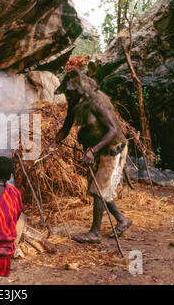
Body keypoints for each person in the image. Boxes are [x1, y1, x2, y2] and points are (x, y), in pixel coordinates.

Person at [50, 69, 132, 244]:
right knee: (98, 188)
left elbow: (114, 130)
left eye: (70, 92)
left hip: (112, 148)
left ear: (79, 90)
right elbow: (66, 128)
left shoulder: (96, 102)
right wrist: (54, 143)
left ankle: (95, 233)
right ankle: (122, 220)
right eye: (66, 93)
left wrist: (93, 150)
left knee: (99, 190)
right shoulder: (74, 103)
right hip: (98, 150)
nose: (67, 96)